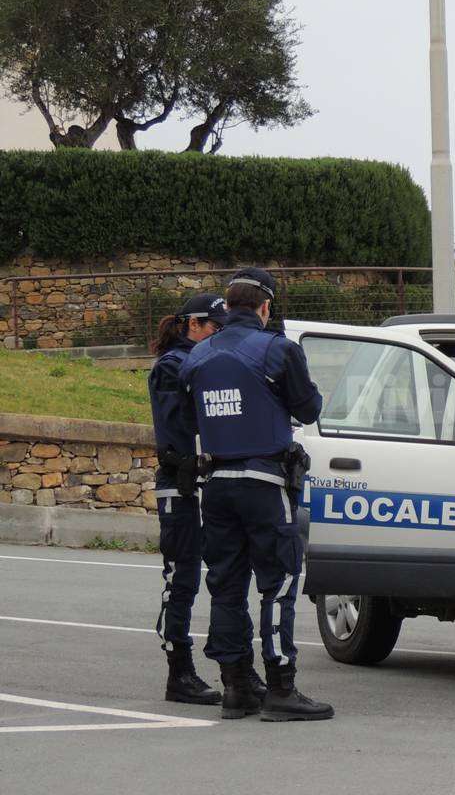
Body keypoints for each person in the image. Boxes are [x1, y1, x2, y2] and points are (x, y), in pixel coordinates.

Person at [179, 268, 332, 722]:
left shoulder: (198, 354)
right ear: (265, 308)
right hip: (264, 482)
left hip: (217, 485)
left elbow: (189, 416)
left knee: (226, 584)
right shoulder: (278, 349)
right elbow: (308, 407)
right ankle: (281, 687)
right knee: (278, 583)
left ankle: (236, 685)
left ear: (226, 308)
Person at [148, 293, 231, 704]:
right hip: (181, 485)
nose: (220, 335)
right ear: (193, 325)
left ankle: (232, 667)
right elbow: (180, 430)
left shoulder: (198, 362)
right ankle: (179, 671)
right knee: (181, 579)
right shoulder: (173, 367)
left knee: (222, 575)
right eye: (216, 327)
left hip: (206, 482)